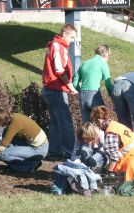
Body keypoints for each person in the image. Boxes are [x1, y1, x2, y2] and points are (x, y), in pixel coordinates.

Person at [90, 106, 134, 190]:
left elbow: (114, 157)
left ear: (99, 121)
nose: (96, 126)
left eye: (95, 123)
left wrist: (109, 173)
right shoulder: (115, 125)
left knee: (125, 187)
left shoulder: (110, 133)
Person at [42, 23, 78, 159]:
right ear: (65, 34)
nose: (73, 41)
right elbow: (60, 70)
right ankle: (70, 153)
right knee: (66, 123)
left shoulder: (53, 45)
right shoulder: (58, 47)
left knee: (56, 123)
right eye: (72, 37)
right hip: (56, 90)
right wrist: (70, 86)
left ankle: (55, 151)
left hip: (50, 89)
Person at [0, 109, 48, 173]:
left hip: (39, 149)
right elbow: (5, 141)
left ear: (0, 120)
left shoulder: (15, 124)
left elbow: (2, 145)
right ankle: (28, 162)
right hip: (34, 144)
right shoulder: (13, 117)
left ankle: (29, 165)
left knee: (2, 154)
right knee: (5, 134)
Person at [73, 44, 113, 122]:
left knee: (86, 127)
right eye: (108, 57)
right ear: (106, 55)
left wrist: (80, 91)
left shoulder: (84, 63)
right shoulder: (102, 63)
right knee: (103, 121)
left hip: (83, 96)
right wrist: (113, 97)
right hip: (94, 95)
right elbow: (108, 83)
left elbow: (75, 83)